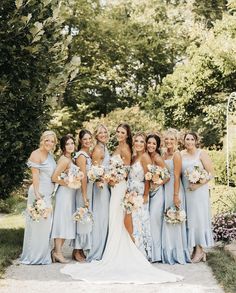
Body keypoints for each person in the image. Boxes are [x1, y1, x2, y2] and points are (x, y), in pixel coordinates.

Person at [61, 124, 183, 284]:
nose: (119, 134)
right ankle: (115, 250)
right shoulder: (130, 153)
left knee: (125, 221)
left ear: (128, 135)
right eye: (117, 131)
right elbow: (126, 172)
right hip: (121, 189)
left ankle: (133, 252)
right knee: (117, 220)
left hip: (126, 190)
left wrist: (147, 191)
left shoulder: (133, 152)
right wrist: (111, 177)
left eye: (122, 132)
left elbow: (144, 176)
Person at [20, 130, 57, 265]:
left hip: (48, 193)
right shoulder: (36, 154)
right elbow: (35, 175)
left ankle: (42, 254)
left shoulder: (50, 155)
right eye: (47, 140)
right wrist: (37, 195)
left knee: (45, 225)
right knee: (37, 224)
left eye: (52, 141)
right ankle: (34, 256)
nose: (49, 143)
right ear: (42, 140)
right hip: (39, 193)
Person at [181, 132, 214, 263]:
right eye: (187, 139)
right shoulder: (182, 154)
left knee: (199, 218)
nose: (189, 142)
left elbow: (211, 173)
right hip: (187, 192)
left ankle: (200, 250)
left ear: (195, 141)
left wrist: (199, 184)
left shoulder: (201, 154)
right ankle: (195, 249)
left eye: (192, 139)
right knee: (191, 219)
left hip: (199, 192)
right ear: (184, 141)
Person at [161, 129, 191, 264]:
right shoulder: (164, 154)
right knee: (167, 218)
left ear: (176, 141)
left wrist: (175, 195)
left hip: (175, 189)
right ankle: (167, 252)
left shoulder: (177, 155)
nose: (169, 141)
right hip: (165, 189)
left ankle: (177, 253)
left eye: (171, 139)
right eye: (167, 139)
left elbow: (177, 176)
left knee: (175, 219)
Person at [51, 134, 77, 263]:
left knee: (66, 221)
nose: (70, 146)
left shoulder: (70, 159)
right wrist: (68, 183)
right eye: (67, 144)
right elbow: (54, 177)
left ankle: (57, 251)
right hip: (64, 194)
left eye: (72, 143)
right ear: (63, 147)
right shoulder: (64, 160)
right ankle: (57, 252)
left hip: (69, 194)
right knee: (62, 222)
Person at [125, 132, 152, 259]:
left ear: (145, 144)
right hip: (130, 193)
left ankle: (141, 253)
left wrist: (145, 195)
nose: (139, 144)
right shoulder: (134, 157)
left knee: (139, 223)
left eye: (142, 141)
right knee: (131, 222)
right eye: (137, 141)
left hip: (140, 194)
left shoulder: (146, 157)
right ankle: (132, 250)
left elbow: (148, 178)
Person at [87, 124, 110, 261]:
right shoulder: (97, 149)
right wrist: (101, 181)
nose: (103, 134)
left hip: (106, 185)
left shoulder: (104, 148)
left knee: (104, 218)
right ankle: (97, 250)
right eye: (100, 133)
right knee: (101, 218)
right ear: (96, 135)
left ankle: (103, 248)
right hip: (100, 187)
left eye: (105, 132)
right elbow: (95, 172)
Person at [146, 133, 169, 263]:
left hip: (158, 193)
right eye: (149, 143)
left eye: (154, 143)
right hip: (148, 194)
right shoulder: (144, 156)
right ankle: (150, 252)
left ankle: (157, 254)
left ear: (157, 146)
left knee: (155, 221)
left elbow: (167, 176)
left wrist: (158, 183)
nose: (151, 145)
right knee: (149, 222)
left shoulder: (158, 158)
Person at [73, 129, 93, 262]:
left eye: (89, 138)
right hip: (83, 191)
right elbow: (83, 177)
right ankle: (77, 250)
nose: (87, 141)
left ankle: (81, 248)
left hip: (89, 190)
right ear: (80, 140)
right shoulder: (81, 155)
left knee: (86, 219)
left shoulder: (88, 154)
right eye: (85, 139)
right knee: (82, 219)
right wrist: (85, 195)